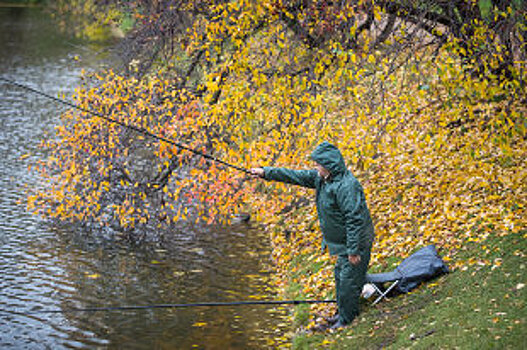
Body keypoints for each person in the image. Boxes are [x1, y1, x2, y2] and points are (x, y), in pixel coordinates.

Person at [250, 141, 374, 329]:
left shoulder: (347, 186)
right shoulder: (322, 179)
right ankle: (342, 313)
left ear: (328, 165)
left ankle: (346, 320)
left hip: (357, 242)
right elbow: (295, 176)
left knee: (349, 281)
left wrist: (353, 249)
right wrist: (266, 172)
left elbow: (354, 220)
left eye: (318, 164)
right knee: (341, 276)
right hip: (344, 243)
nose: (315, 167)